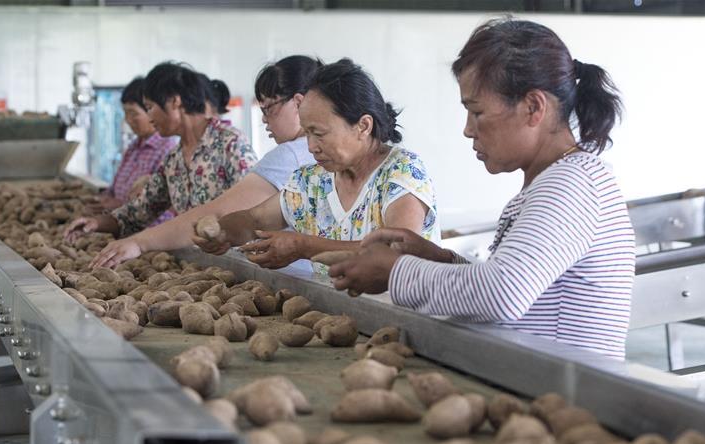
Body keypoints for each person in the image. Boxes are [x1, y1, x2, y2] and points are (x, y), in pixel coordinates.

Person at [329, 18, 635, 359]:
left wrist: (393, 271)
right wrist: (440, 258)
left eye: (477, 112)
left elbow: (501, 294)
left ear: (534, 107)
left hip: (566, 396)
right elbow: (510, 281)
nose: (468, 130)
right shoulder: (556, 180)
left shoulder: (571, 185)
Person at [194, 58, 440, 270]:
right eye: (307, 133)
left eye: (319, 133)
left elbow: (396, 251)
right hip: (343, 317)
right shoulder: (311, 182)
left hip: (406, 318)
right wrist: (222, 231)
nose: (311, 146)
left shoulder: (402, 172)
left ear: (363, 126)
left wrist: (304, 247)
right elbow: (255, 220)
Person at [88, 56, 322, 269]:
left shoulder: (256, 148)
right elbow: (253, 217)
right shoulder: (173, 158)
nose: (263, 119)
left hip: (275, 275)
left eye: (268, 108)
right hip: (223, 266)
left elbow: (227, 211)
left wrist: (140, 242)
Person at [64, 62, 257, 244]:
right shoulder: (174, 160)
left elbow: (255, 208)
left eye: (150, 107)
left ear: (175, 102)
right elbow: (139, 212)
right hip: (197, 265)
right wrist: (96, 223)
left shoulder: (231, 143)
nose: (149, 117)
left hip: (240, 265)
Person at [93, 77, 178, 215]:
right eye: (125, 113)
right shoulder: (134, 147)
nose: (128, 120)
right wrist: (103, 200)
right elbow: (114, 189)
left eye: (133, 113)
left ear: (152, 111)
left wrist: (119, 205)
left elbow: (162, 208)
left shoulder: (167, 150)